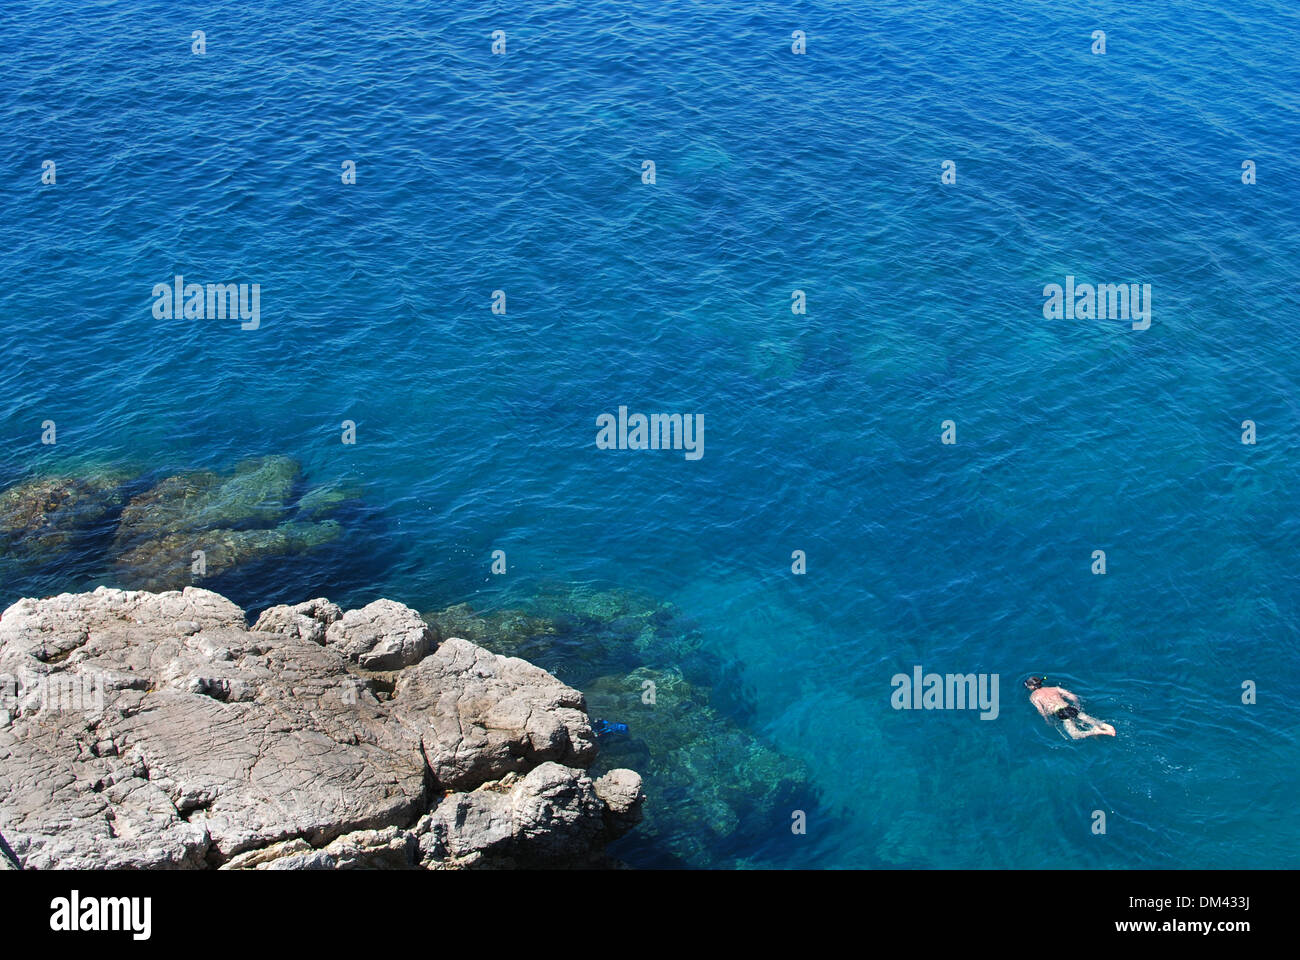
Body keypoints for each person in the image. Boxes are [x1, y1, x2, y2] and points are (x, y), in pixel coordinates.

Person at [1024, 676, 1115, 739]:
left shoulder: (1034, 696)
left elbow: (1041, 710)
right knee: (1089, 719)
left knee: (1074, 735)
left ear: (1032, 686)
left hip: (1060, 713)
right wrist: (1077, 706)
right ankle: (1105, 726)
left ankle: (1095, 731)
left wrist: (1047, 720)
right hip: (1070, 708)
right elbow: (1072, 696)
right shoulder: (1055, 688)